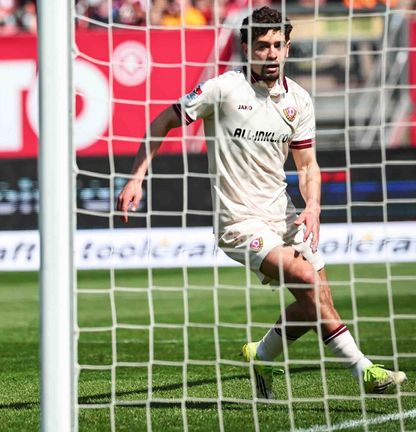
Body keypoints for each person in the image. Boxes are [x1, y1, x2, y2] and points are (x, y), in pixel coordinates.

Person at [116, 6, 407, 399]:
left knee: (316, 298)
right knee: (306, 281)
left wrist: (313, 206)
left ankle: (261, 354)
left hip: (282, 216)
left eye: (277, 45)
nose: (270, 53)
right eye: (262, 46)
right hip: (238, 223)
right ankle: (364, 371)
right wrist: (137, 176)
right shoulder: (222, 89)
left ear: (287, 47)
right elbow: (162, 122)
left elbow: (307, 165)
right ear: (247, 48)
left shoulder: (298, 101)